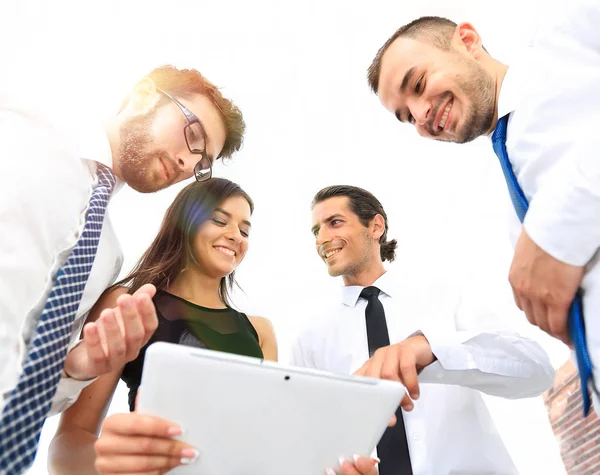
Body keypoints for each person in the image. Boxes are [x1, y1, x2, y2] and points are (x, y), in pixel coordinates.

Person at [0, 64, 245, 473]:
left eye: (201, 162)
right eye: (193, 134)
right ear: (144, 95)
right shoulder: (22, 132)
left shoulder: (106, 256)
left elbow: (33, 387)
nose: (187, 163)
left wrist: (76, 368)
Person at [365, 5, 600, 413]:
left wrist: (554, 232)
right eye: (406, 117)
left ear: (468, 41)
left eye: (418, 83)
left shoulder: (567, 37)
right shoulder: (513, 209)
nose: (421, 115)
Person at [291, 184, 556, 474]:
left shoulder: (445, 293)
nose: (323, 239)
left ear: (375, 226)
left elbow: (537, 370)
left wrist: (433, 350)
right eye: (316, 231)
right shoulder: (310, 340)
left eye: (335, 223)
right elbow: (306, 442)